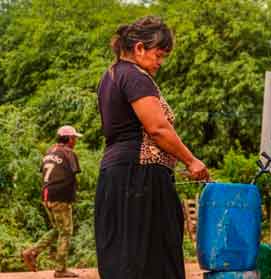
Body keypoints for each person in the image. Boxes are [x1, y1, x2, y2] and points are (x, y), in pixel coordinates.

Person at [95, 16, 209, 279]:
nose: (159, 63)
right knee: (153, 256)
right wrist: (191, 161)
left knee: (124, 256)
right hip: (140, 178)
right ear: (139, 49)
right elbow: (157, 128)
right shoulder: (136, 77)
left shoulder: (109, 76)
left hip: (116, 175)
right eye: (158, 55)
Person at [22, 125, 82, 278]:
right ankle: (60, 270)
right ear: (68, 139)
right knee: (66, 232)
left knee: (57, 229)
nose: (75, 141)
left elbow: (45, 172)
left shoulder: (49, 151)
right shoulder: (69, 153)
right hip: (60, 197)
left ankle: (32, 252)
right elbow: (74, 174)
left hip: (46, 196)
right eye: (74, 138)